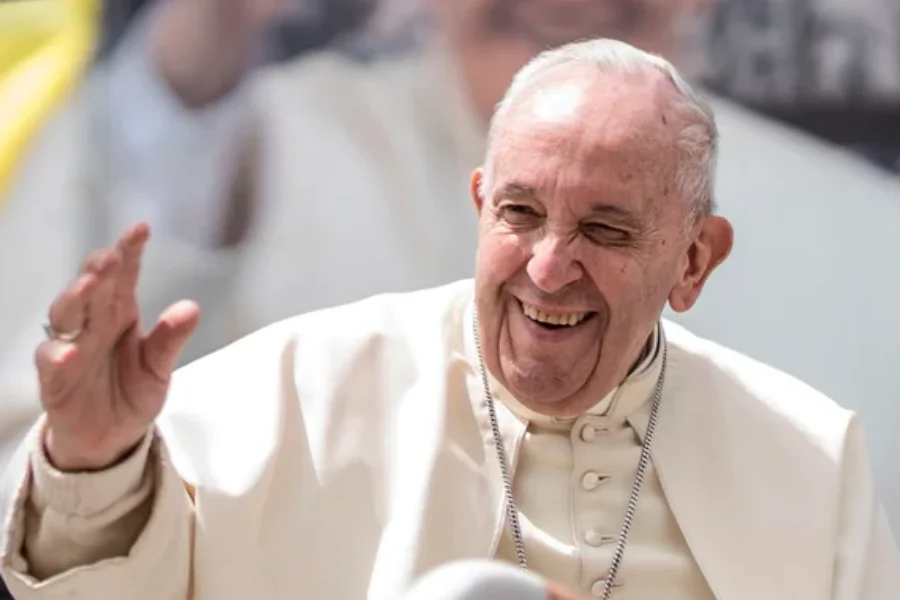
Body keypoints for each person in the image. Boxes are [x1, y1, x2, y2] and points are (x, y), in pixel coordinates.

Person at [1, 39, 897, 600]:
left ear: (694, 260)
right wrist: (91, 463)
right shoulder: (288, 392)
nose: (549, 266)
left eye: (604, 229)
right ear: (480, 205)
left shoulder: (811, 459)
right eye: (519, 214)